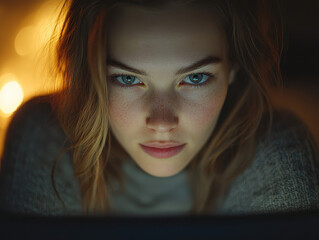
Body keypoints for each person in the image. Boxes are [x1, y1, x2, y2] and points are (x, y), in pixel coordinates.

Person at [0, 0, 318, 216]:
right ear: (92, 73)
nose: (162, 122)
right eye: (127, 78)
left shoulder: (276, 151)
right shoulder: (43, 139)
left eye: (195, 77)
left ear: (234, 67)